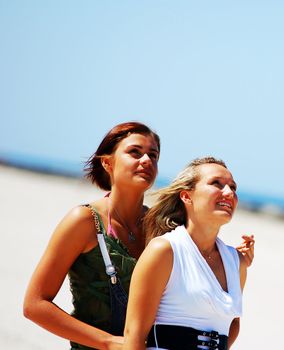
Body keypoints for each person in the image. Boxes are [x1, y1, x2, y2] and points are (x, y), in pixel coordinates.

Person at [23, 122, 255, 350]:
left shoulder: (162, 226)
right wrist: (108, 342)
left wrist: (232, 262)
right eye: (135, 152)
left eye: (153, 155)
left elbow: (198, 259)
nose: (146, 160)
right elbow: (35, 305)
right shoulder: (84, 221)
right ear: (107, 162)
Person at [122, 157, 252, 350]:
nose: (229, 193)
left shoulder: (237, 263)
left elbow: (232, 325)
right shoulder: (165, 250)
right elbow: (134, 335)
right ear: (186, 196)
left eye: (233, 187)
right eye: (216, 183)